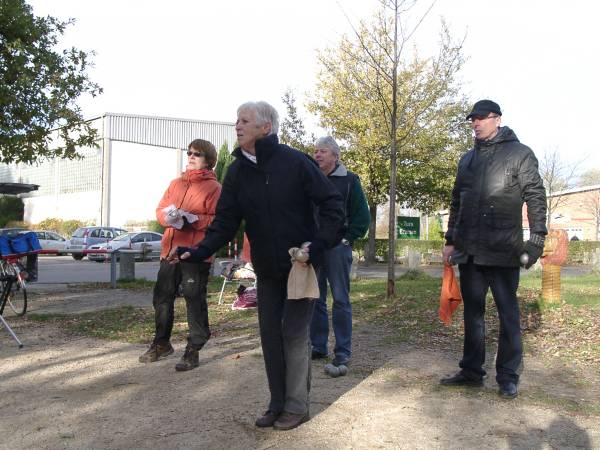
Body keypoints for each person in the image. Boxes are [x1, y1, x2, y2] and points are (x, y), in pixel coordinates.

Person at [168, 101, 344, 430]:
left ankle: (296, 406)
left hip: (300, 265)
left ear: (266, 128)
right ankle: (276, 403)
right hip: (265, 267)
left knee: (292, 334)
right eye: (236, 120)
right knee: (269, 336)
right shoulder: (236, 172)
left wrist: (319, 244)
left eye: (245, 121)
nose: (237, 125)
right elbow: (225, 222)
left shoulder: (295, 162)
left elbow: (333, 203)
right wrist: (201, 249)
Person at [440, 100, 547, 399]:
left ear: (497, 119)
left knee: (507, 315)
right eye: (472, 119)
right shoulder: (467, 159)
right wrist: (450, 239)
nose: (475, 123)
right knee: (472, 314)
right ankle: (472, 371)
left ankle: (508, 375)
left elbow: (536, 195)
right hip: (470, 252)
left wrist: (537, 238)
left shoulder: (520, 154)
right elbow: (457, 200)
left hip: (503, 250)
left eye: (481, 118)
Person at [139, 139, 221, 371]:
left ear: (208, 160)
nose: (191, 157)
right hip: (170, 251)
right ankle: (161, 343)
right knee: (162, 298)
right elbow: (160, 210)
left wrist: (192, 220)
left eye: (197, 154)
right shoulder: (176, 184)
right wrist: (169, 218)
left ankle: (194, 348)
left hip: (195, 254)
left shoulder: (214, 188)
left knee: (194, 300)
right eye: (189, 153)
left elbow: (218, 221)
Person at [310, 136, 370, 368]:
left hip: (337, 248)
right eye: (316, 151)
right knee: (315, 298)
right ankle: (318, 346)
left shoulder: (349, 180)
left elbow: (362, 217)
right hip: (314, 248)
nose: (317, 155)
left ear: (336, 156)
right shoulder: (310, 179)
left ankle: (343, 350)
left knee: (341, 299)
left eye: (322, 151)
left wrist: (347, 239)